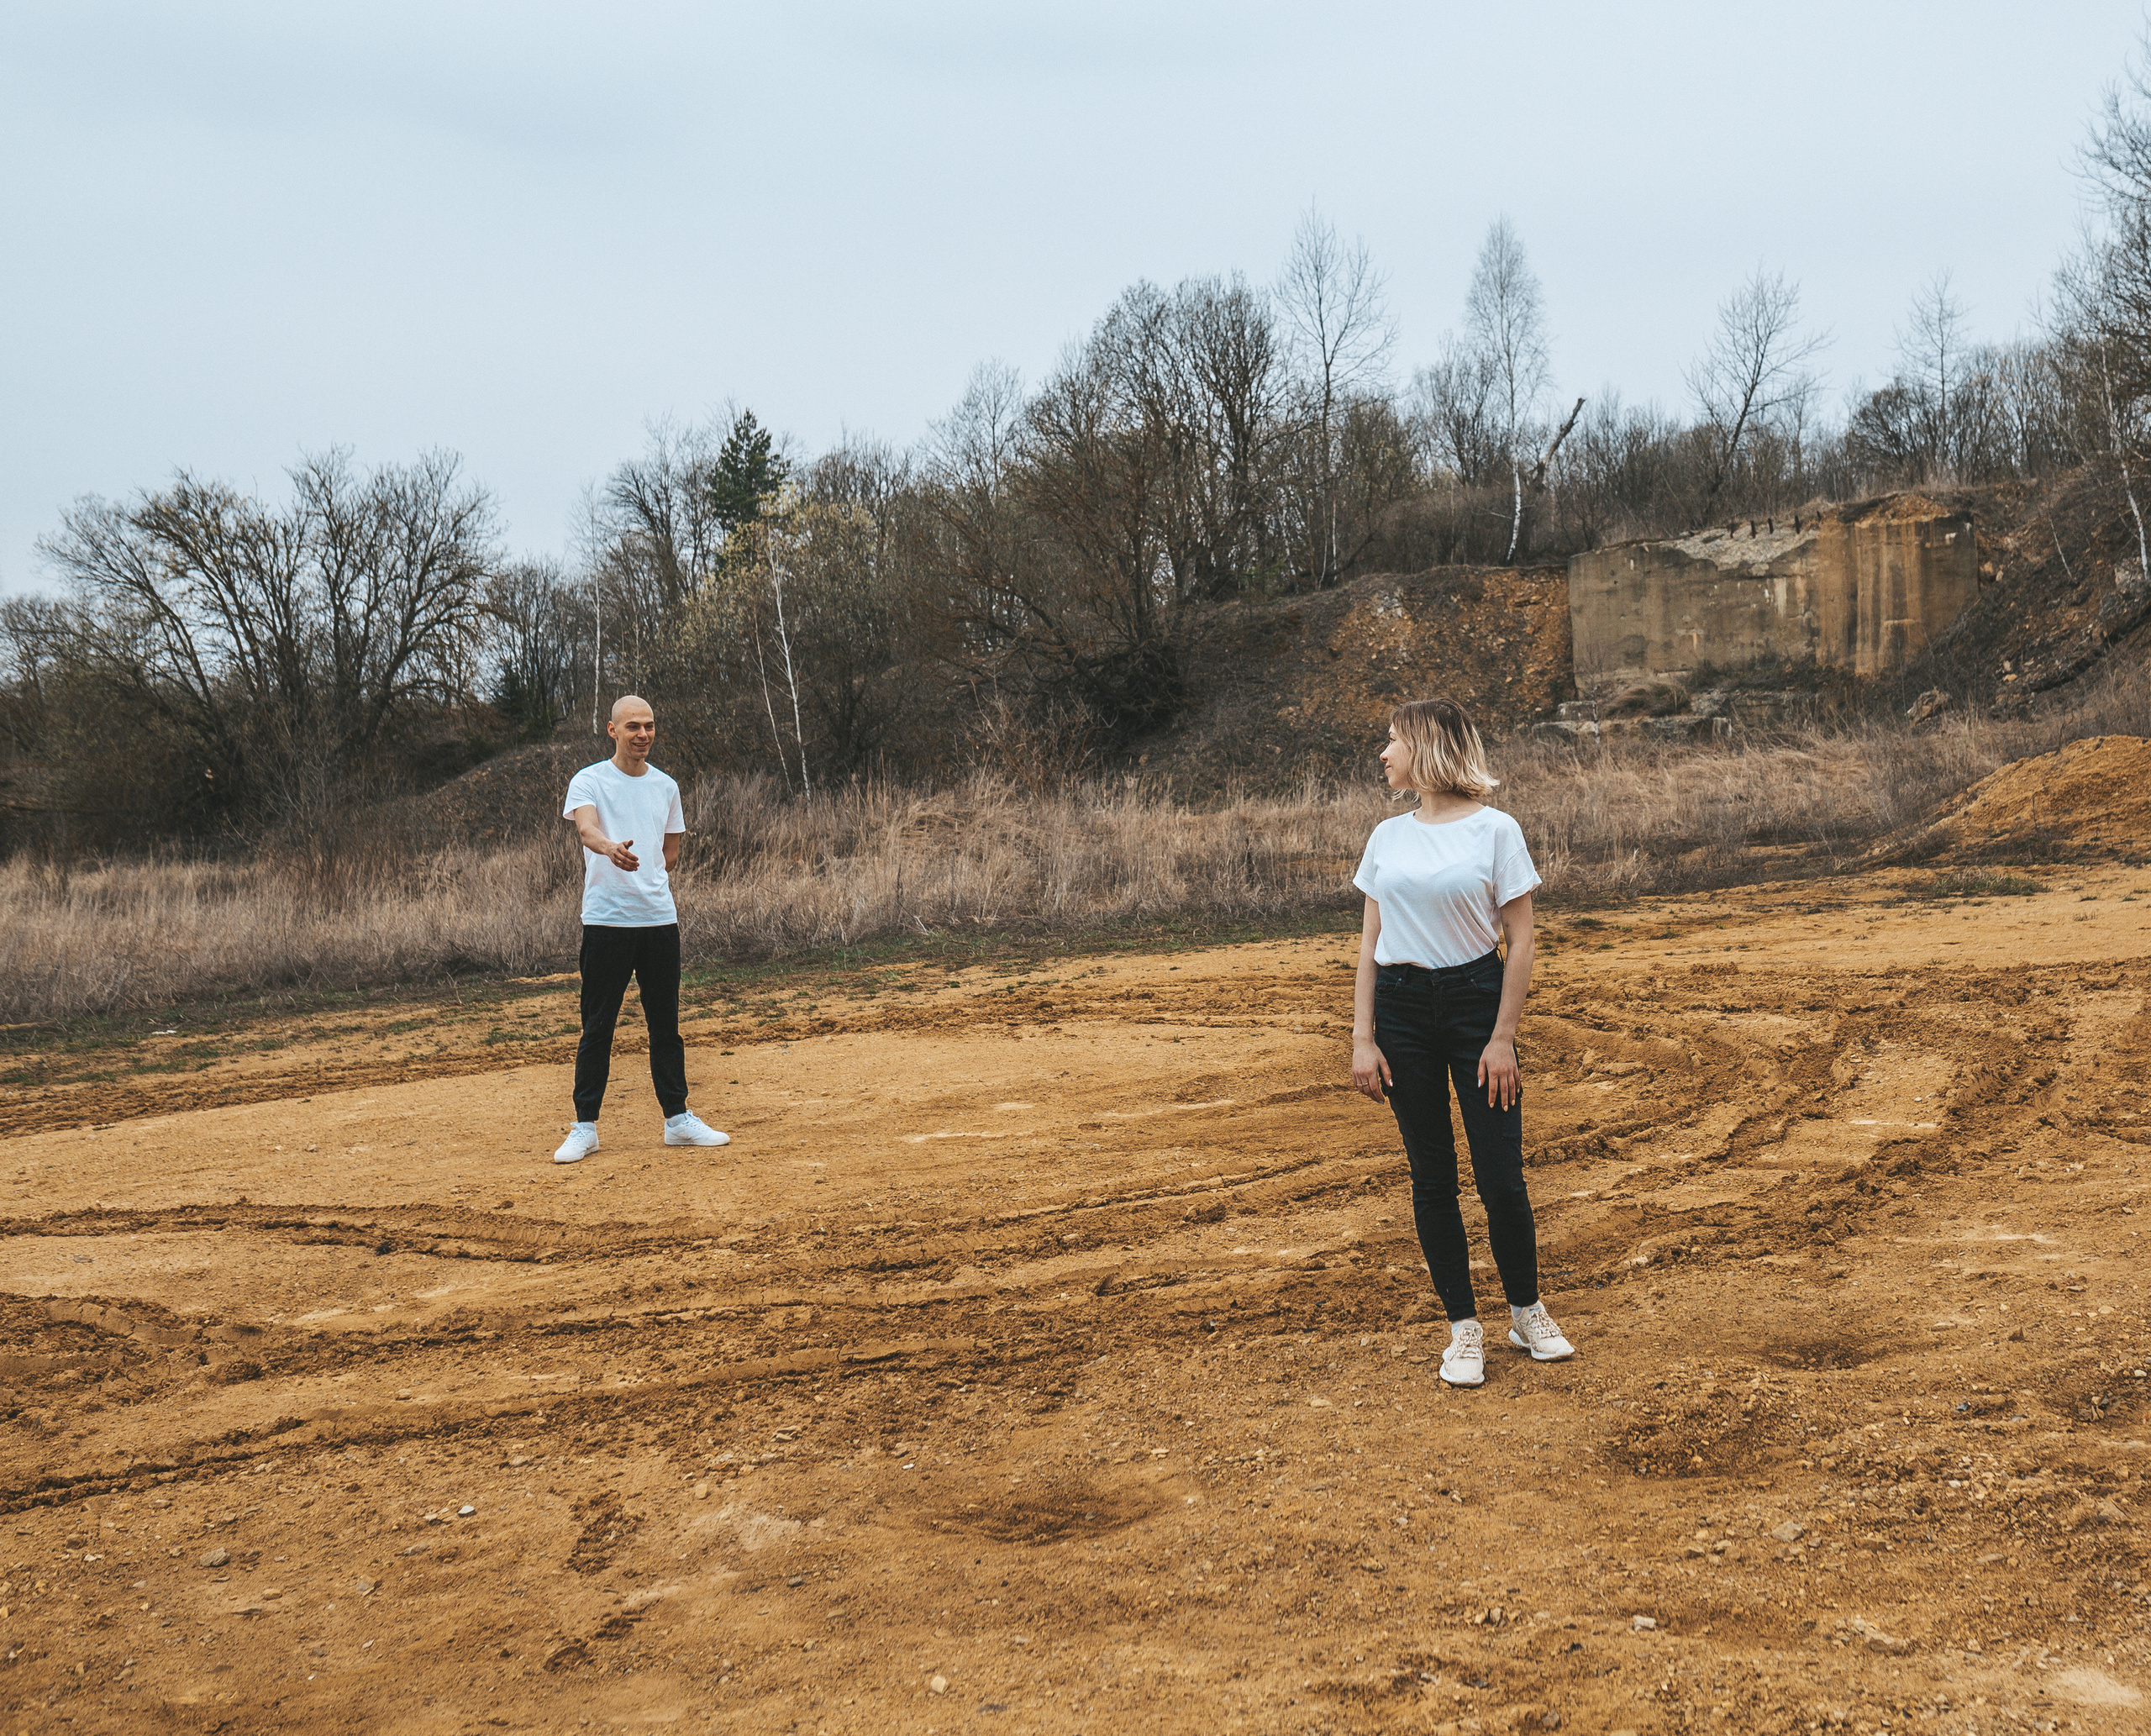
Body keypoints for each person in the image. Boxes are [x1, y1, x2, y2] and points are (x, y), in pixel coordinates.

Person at [1349, 697, 1575, 1387]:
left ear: (1426, 748)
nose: (1384, 754)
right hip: (1402, 1010)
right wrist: (1363, 1036)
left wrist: (1503, 1036)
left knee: (1501, 1176)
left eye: (1393, 742)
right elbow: (1369, 943)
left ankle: (1526, 1310)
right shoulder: (1387, 837)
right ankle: (1463, 1330)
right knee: (1433, 1178)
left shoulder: (1497, 830)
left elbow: (1523, 937)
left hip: (1479, 1004)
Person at [553, 695, 728, 1165]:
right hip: (607, 922)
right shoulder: (588, 780)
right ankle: (584, 1127)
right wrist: (610, 848)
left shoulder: (667, 786)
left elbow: (671, 852)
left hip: (658, 922)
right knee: (598, 1028)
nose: (643, 735)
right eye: (633, 726)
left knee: (665, 1026)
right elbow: (587, 831)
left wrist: (648, 877)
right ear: (613, 731)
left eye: (649, 726)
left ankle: (678, 1120)